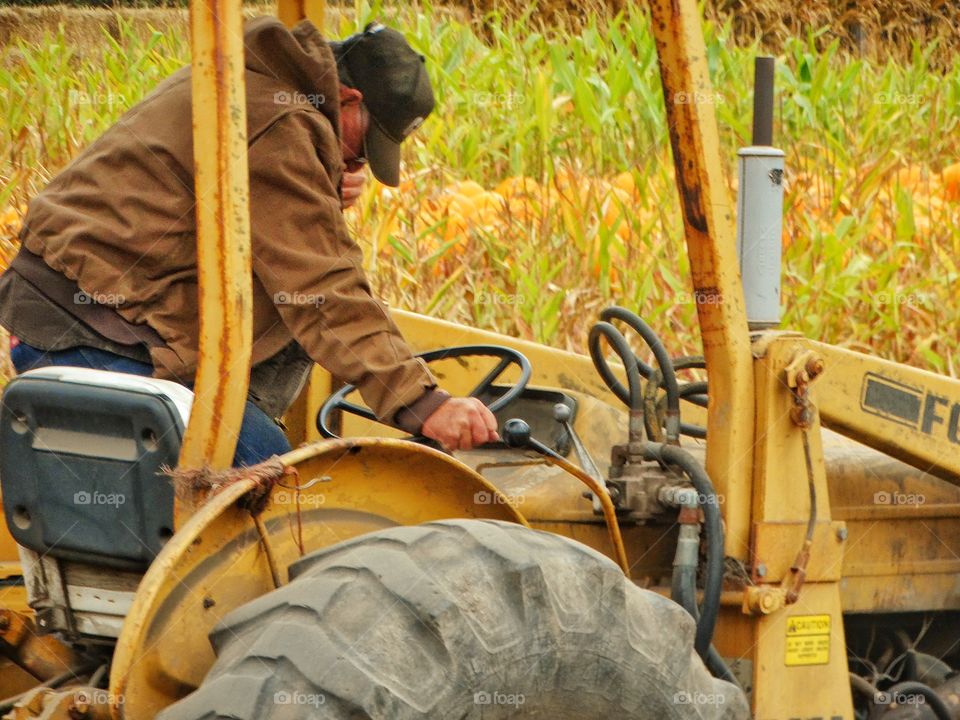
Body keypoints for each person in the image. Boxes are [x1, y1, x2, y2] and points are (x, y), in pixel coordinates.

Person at [0, 17, 499, 465]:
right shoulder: (276, 123)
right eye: (364, 146)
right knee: (272, 485)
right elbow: (322, 286)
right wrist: (421, 403)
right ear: (348, 100)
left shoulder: (261, 88)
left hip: (81, 319)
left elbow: (250, 216)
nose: (360, 163)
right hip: (88, 333)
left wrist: (324, 174)